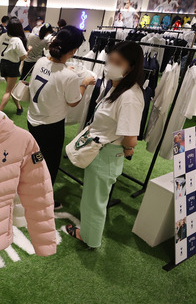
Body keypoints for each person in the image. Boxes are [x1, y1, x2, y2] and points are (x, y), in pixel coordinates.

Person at [65, 41, 145, 248]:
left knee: (94, 202)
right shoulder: (117, 88)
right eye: (110, 60)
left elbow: (131, 138)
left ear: (132, 67)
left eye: (118, 62)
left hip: (106, 153)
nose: (111, 65)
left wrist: (127, 149)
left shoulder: (129, 97)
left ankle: (90, 239)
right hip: (100, 151)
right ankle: (89, 233)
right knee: (93, 198)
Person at [27, 26, 96, 208]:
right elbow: (74, 101)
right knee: (50, 163)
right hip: (50, 125)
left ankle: (29, 187)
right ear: (73, 50)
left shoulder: (41, 61)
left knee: (35, 157)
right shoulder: (70, 77)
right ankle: (44, 200)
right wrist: (85, 83)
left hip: (33, 118)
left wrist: (67, 69)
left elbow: (52, 77)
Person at [0, 17, 27, 114]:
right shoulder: (17, 40)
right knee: (8, 91)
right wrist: (29, 49)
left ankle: (19, 107)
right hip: (12, 66)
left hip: (2, 64)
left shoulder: (2, 36)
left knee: (12, 88)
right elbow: (23, 57)